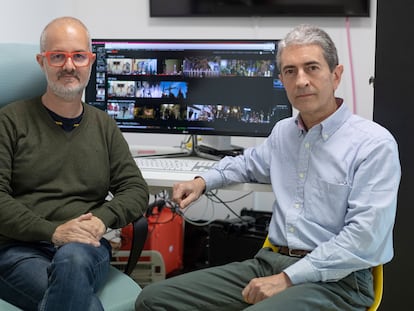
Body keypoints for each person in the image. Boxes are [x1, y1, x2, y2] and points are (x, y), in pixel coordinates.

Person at [135, 24, 401, 311]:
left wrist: (288, 278)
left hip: (338, 281)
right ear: (282, 81)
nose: (301, 80)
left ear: (335, 75)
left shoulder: (373, 144)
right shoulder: (283, 132)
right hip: (270, 263)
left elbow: (363, 240)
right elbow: (246, 164)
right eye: (290, 71)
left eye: (312, 68)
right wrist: (201, 182)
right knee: (152, 300)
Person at [0, 16, 149, 311]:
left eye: (78, 56)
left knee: (73, 258)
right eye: (58, 56)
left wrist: (100, 220)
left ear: (91, 61)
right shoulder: (10, 120)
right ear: (42, 61)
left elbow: (135, 190)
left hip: (85, 247)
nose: (69, 66)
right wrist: (53, 232)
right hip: (19, 249)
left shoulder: (104, 126)